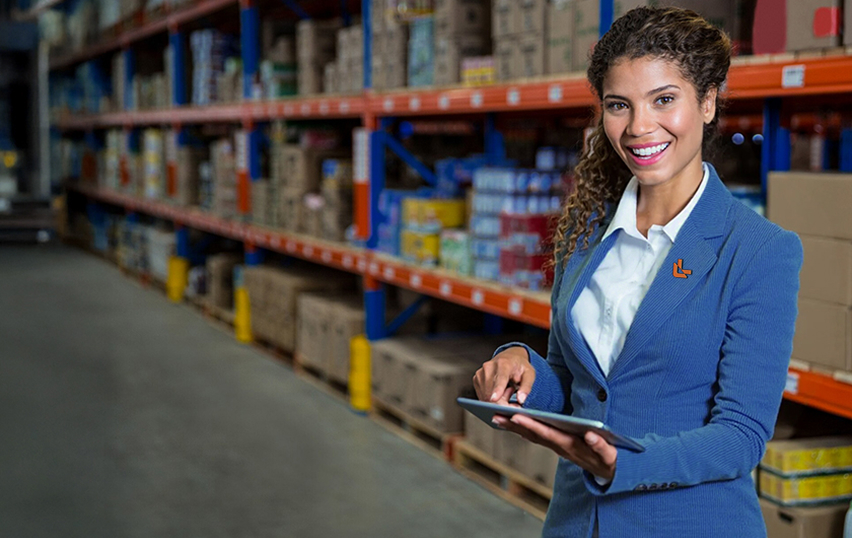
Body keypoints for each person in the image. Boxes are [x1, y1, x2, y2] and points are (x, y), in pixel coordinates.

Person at [472, 7, 803, 538]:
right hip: (577, 523)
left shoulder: (760, 251)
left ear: (710, 101)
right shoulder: (585, 233)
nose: (639, 127)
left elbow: (741, 436)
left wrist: (623, 464)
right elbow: (574, 384)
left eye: (664, 100)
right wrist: (520, 369)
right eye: (619, 106)